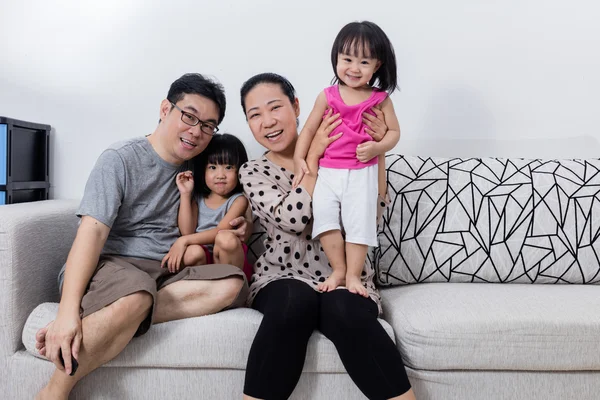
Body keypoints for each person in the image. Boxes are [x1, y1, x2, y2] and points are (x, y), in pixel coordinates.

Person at [34, 73, 250, 400]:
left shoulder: (199, 166)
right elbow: (90, 235)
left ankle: (110, 316)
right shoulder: (120, 158)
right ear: (165, 109)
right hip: (112, 266)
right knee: (137, 293)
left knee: (232, 283)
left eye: (208, 125)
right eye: (189, 116)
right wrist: (66, 313)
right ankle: (54, 391)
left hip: (163, 271)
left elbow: (224, 202)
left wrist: (243, 222)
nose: (197, 131)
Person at [239, 72, 415, 400]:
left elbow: (370, 214)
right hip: (282, 276)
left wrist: (375, 151)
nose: (267, 121)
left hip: (348, 274)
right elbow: (292, 220)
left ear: (296, 106)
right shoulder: (253, 171)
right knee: (294, 302)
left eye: (275, 107)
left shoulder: (347, 154)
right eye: (255, 115)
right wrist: (313, 161)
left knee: (345, 311)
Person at [292, 21, 401, 297]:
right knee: (325, 218)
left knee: (358, 224)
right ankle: (338, 269)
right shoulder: (326, 96)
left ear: (376, 66)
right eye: (347, 59)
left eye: (364, 62)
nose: (354, 68)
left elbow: (394, 133)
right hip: (328, 172)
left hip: (362, 172)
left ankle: (353, 275)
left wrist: (377, 148)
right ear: (336, 59)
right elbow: (308, 129)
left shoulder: (380, 100)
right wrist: (299, 158)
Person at [163, 133, 253, 282]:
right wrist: (185, 194)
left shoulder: (238, 200)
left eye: (228, 167)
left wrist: (183, 241)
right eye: (212, 167)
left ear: (239, 170)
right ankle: (207, 289)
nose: (220, 175)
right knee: (193, 252)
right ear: (203, 170)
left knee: (225, 239)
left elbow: (221, 231)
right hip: (205, 258)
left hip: (229, 259)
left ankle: (231, 287)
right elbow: (187, 230)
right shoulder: (198, 198)